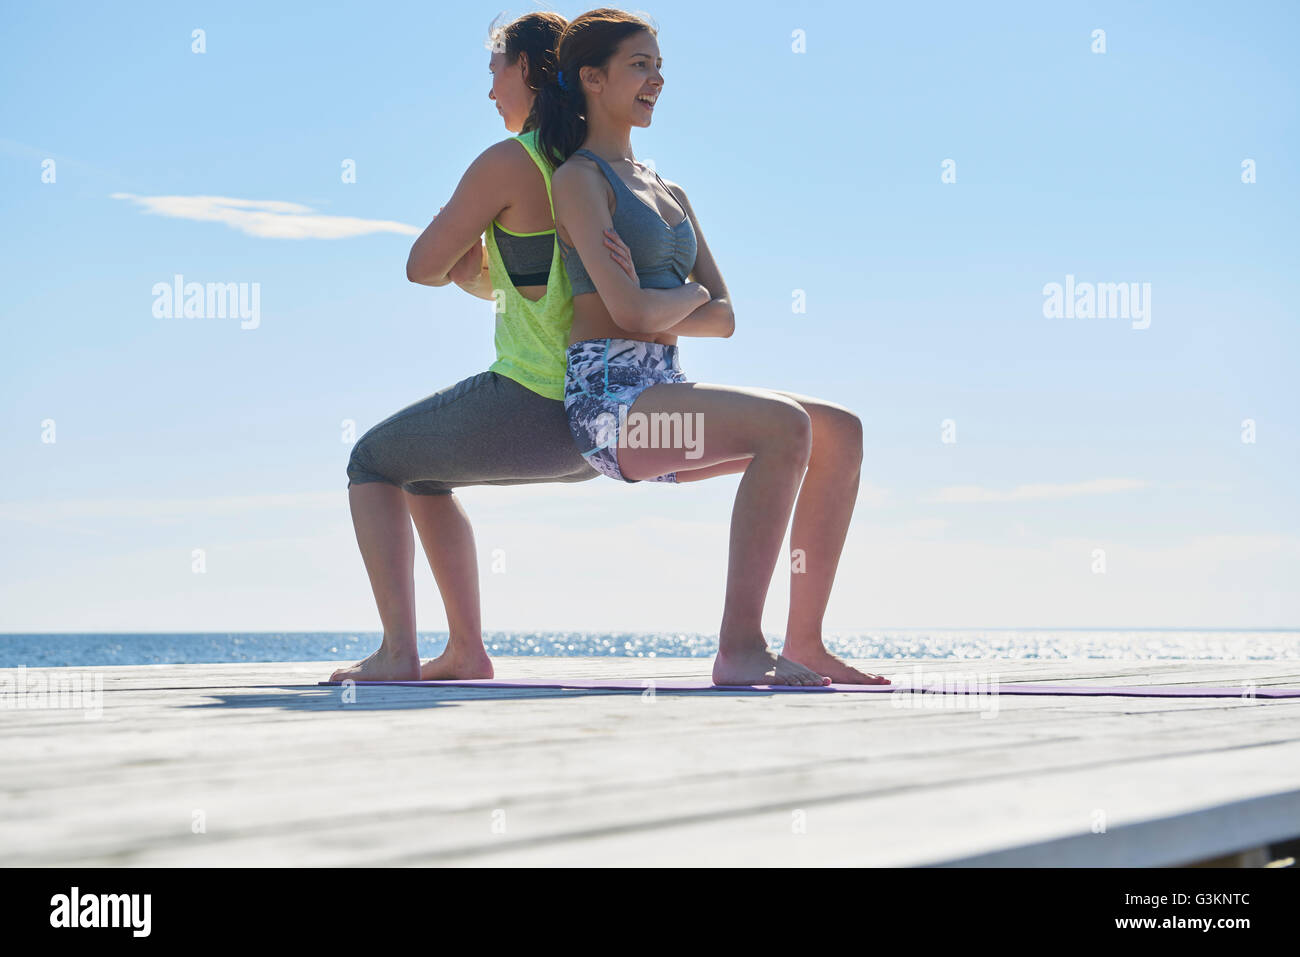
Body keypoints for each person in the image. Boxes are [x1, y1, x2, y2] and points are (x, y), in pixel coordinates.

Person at [537, 8, 889, 685]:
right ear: (591, 78)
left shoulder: (670, 191)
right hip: (609, 403)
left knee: (839, 432)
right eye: (640, 65)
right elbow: (628, 310)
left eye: (659, 67)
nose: (656, 79)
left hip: (666, 388)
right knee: (785, 425)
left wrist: (675, 304)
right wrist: (682, 300)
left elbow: (724, 317)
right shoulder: (578, 180)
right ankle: (739, 649)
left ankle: (807, 643)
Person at [333, 12, 628, 683]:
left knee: (371, 460)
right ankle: (465, 651)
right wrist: (482, 268)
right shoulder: (591, 164)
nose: (489, 88)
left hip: (536, 401)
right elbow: (538, 288)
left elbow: (421, 264)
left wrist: (464, 249)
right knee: (424, 474)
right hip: (601, 417)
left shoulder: (509, 161)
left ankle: (397, 653)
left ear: (525, 68)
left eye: (495, 69)